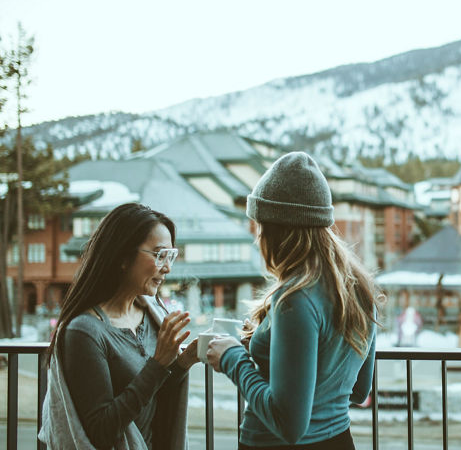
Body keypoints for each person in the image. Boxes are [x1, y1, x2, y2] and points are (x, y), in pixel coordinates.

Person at [206, 152, 378, 449]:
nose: (257, 238)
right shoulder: (358, 290)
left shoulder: (295, 300)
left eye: (259, 227)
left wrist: (232, 358)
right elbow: (359, 390)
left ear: (279, 231)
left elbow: (289, 425)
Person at [42, 202, 197, 449]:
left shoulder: (152, 316)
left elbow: (154, 398)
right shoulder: (85, 332)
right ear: (123, 257)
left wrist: (183, 361)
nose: (167, 267)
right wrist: (157, 364)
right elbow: (100, 431)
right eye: (159, 255)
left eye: (171, 256)